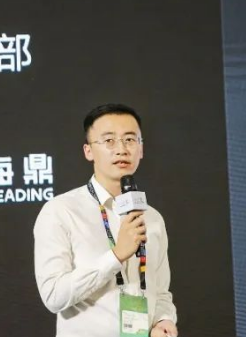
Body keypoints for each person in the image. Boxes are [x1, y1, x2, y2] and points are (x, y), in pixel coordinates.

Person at [34, 103, 178, 337]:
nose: (121, 149)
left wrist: (164, 320)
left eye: (130, 140)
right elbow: (53, 295)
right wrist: (116, 256)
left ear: (141, 149)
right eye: (109, 141)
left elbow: (160, 292)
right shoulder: (61, 211)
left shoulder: (152, 218)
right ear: (88, 151)